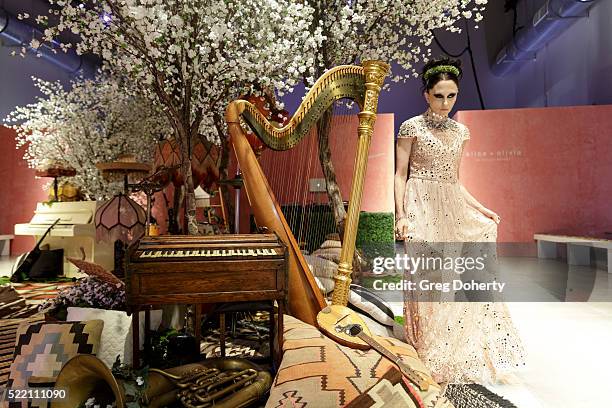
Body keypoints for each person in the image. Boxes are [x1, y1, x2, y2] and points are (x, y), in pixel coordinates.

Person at [394, 57, 525, 384]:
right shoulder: (411, 127)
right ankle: (425, 351)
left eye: (451, 96)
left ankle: (448, 351)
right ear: (426, 94)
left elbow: (454, 180)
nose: (445, 103)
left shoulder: (460, 131)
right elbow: (399, 175)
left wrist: (481, 209)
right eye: (439, 95)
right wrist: (401, 215)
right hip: (420, 204)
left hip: (450, 208)